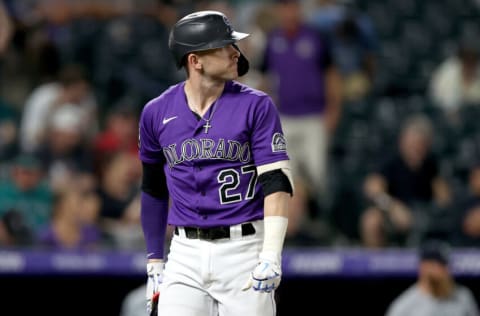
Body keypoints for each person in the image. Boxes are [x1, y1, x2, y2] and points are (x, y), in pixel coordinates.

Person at [138, 10, 293, 316]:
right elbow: (153, 189)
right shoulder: (156, 112)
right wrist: (155, 259)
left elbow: (277, 182)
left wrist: (271, 254)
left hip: (244, 249)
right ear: (195, 61)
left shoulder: (256, 105)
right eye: (224, 46)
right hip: (185, 252)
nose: (236, 52)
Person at [260, 0, 342, 240]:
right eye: (283, 7)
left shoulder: (316, 37)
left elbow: (331, 75)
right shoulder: (273, 40)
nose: (288, 12)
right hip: (284, 117)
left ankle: (321, 224)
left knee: (317, 173)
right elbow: (265, 80)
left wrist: (333, 111)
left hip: (313, 117)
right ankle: (292, 228)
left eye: (292, 6)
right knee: (286, 175)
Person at [360, 114, 451, 247]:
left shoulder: (431, 164)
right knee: (371, 220)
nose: (414, 148)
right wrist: (392, 206)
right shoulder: (390, 161)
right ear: (402, 141)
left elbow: (444, 198)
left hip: (423, 214)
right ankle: (377, 264)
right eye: (411, 143)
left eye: (419, 144)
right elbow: (371, 188)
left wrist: (432, 211)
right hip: (392, 213)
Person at [385, 240, 479, 316]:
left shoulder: (464, 297)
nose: (445, 270)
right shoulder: (405, 305)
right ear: (424, 267)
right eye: (438, 264)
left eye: (445, 265)